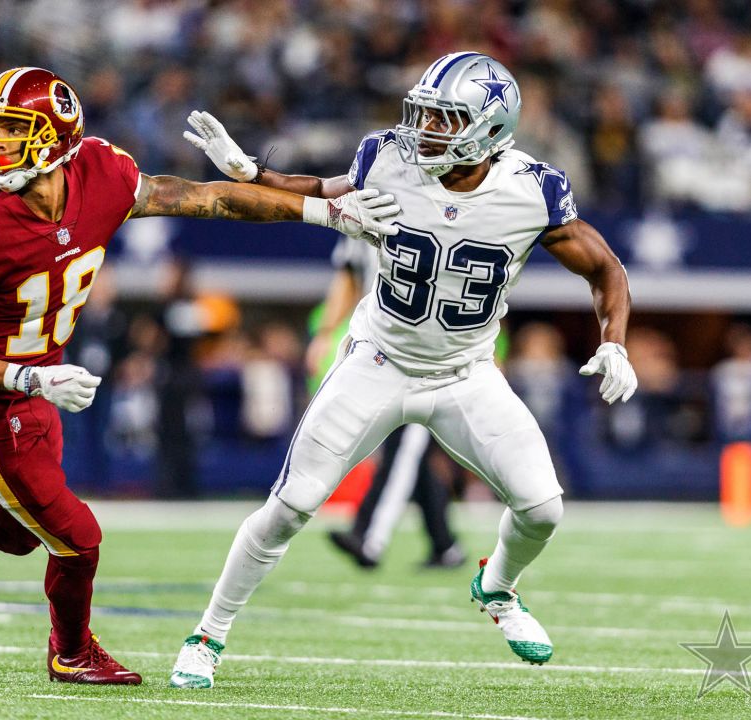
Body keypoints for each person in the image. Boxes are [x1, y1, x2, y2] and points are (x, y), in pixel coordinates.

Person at [0, 66, 400, 686]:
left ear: (58, 137)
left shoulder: (102, 174)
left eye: (14, 130)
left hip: (42, 377)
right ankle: (72, 651)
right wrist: (27, 381)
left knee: (14, 533)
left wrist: (321, 212)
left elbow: (206, 198)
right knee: (77, 538)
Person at [170, 52, 637, 689]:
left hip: (465, 373)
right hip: (378, 362)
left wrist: (616, 342)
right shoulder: (388, 156)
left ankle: (497, 588)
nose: (427, 129)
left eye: (447, 119)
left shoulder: (533, 190)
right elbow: (320, 192)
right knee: (291, 506)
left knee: (543, 508)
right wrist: (253, 171)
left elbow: (606, 268)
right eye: (426, 113)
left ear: (492, 128)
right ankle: (208, 634)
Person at [310, 234, 463, 570]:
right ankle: (446, 545)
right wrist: (325, 333)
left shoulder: (432, 207)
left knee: (404, 445)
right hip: (379, 348)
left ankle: (368, 536)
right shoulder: (361, 208)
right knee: (409, 451)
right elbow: (348, 277)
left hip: (423, 350)